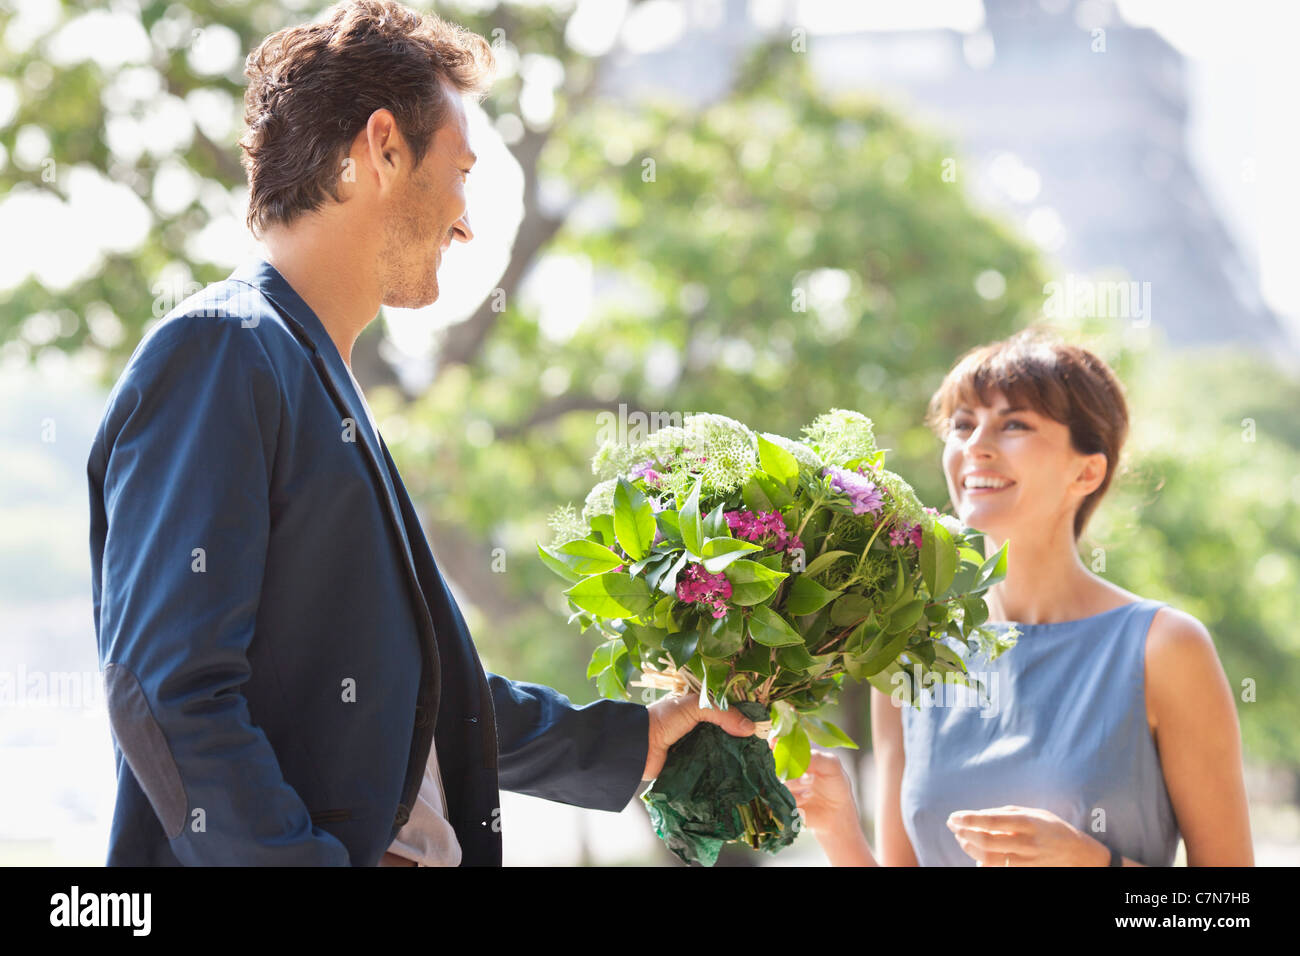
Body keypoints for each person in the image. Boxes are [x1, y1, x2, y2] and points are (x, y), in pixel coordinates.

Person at [87, 0, 755, 867]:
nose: (468, 217)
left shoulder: (309, 370)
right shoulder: (224, 352)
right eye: (462, 171)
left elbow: (409, 701)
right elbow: (168, 691)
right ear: (382, 148)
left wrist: (626, 743)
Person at [788, 329, 1253, 866]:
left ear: (1087, 470)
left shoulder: (1165, 648)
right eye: (962, 425)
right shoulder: (905, 651)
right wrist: (840, 831)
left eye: (1014, 424)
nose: (975, 446)